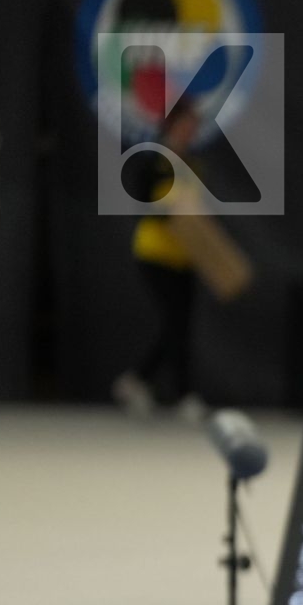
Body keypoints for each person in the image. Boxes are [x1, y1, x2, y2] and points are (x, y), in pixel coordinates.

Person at [112, 104, 206, 421]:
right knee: (174, 323)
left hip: (186, 257)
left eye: (194, 126)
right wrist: (169, 211)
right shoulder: (154, 160)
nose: (190, 131)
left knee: (181, 325)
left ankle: (139, 381)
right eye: (186, 124)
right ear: (172, 125)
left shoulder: (194, 164)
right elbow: (144, 202)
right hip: (155, 253)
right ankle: (180, 393)